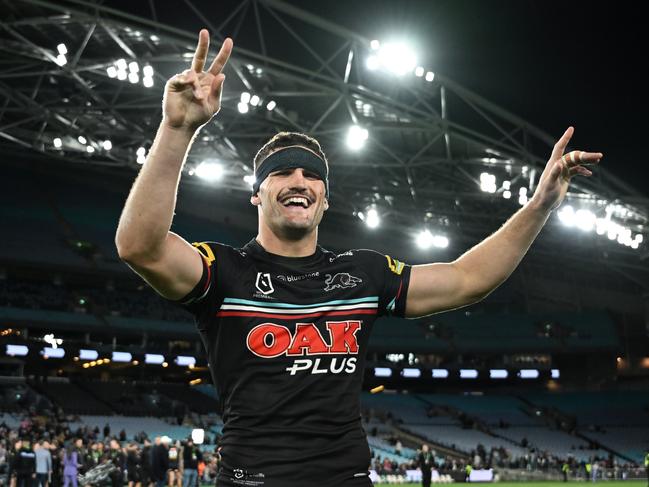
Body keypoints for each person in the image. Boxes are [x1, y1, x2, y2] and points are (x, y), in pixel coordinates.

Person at [115, 28, 602, 487]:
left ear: (324, 200)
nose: (299, 181)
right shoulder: (223, 272)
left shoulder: (362, 273)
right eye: (282, 172)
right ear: (257, 196)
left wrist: (539, 207)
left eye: (312, 175)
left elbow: (467, 278)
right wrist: (177, 129)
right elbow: (140, 247)